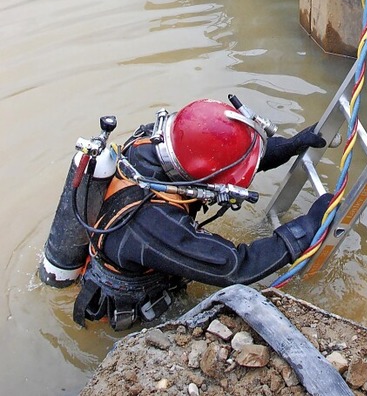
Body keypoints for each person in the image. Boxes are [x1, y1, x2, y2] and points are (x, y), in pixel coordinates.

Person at [73, 96, 332, 330]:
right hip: (134, 311)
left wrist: (289, 146)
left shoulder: (154, 143)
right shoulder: (152, 225)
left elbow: (221, 161)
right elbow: (236, 267)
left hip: (136, 258)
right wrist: (308, 227)